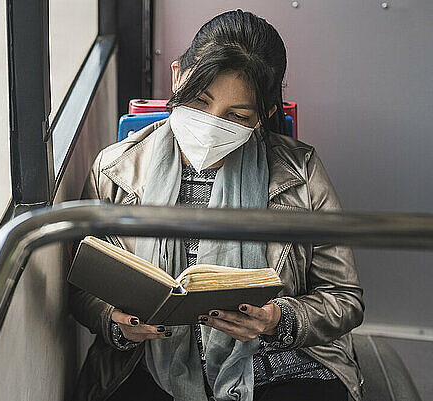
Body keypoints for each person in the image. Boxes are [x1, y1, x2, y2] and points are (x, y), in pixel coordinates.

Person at [69, 9, 364, 401]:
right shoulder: (115, 170)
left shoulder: (302, 174)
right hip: (149, 362)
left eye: (237, 115)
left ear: (263, 117)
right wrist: (116, 323)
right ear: (178, 76)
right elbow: (83, 287)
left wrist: (277, 320)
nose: (210, 124)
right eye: (199, 100)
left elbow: (344, 297)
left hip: (279, 366)